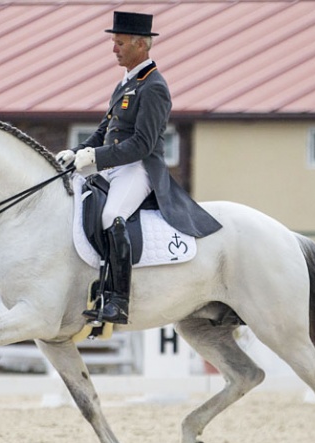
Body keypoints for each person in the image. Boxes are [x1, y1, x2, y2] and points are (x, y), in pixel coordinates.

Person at [56, 11, 222, 325]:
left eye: (119, 43)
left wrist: (94, 157)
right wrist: (75, 152)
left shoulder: (154, 87)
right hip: (113, 166)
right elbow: (103, 131)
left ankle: (118, 299)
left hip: (139, 168)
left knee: (109, 215)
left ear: (140, 45)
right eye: (114, 42)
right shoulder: (125, 84)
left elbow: (142, 144)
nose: (114, 49)